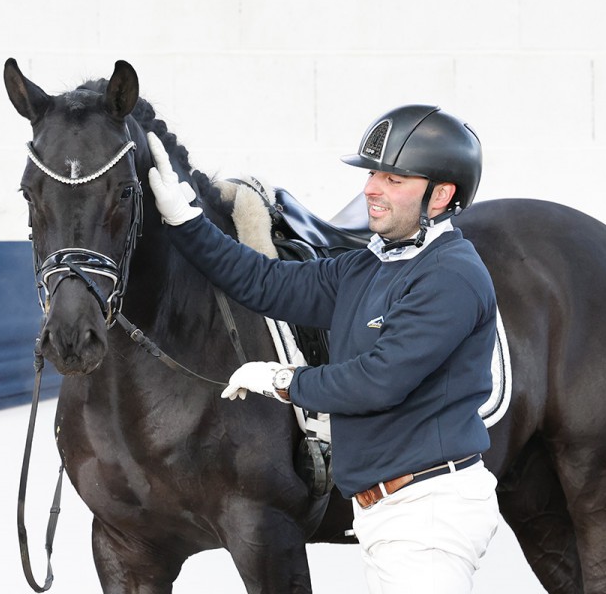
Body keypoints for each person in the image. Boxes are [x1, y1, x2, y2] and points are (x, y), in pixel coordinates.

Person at [147, 104, 500, 593]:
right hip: (385, 511)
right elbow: (265, 282)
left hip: (429, 512)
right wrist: (188, 223)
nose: (372, 188)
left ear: (441, 195)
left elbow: (376, 381)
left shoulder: (449, 275)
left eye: (395, 179)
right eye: (375, 172)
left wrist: (281, 380)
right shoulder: (367, 267)